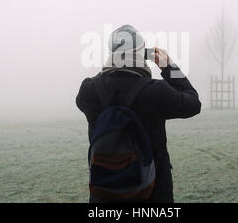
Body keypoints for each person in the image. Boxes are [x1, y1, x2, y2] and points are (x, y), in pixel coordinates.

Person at [76, 24, 201, 203]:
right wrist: (168, 66)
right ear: (141, 53)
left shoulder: (88, 91)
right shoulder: (156, 91)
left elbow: (102, 80)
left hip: (105, 194)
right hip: (152, 193)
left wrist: (113, 63)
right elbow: (193, 103)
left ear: (111, 54)